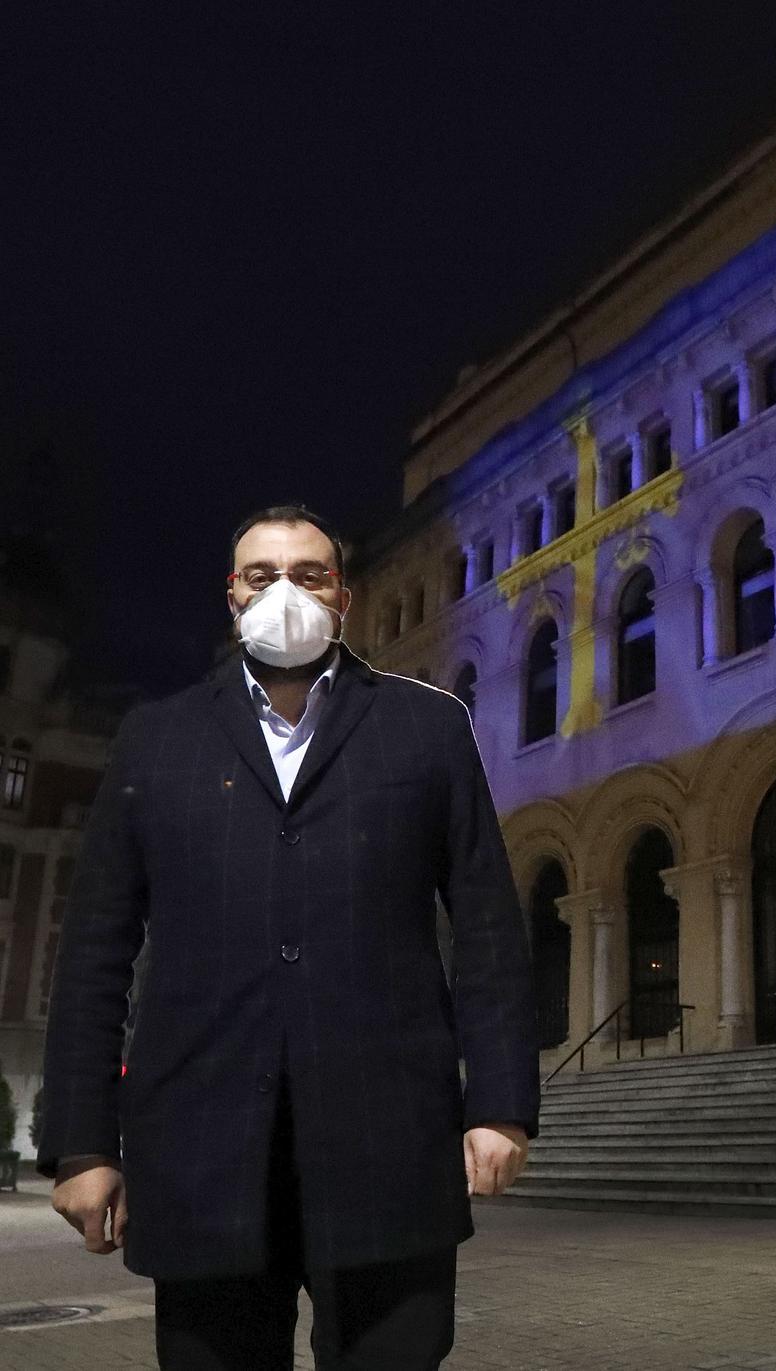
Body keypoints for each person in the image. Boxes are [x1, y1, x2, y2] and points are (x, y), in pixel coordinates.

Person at [37, 504, 540, 1369]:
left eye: (309, 574)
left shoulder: (428, 729)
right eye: (261, 575)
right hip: (203, 1154)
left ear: (344, 595)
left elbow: (489, 926)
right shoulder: (156, 740)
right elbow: (93, 953)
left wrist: (499, 1105)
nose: (285, 592)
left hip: (391, 1147)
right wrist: (82, 1143)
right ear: (230, 597)